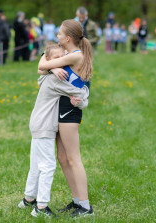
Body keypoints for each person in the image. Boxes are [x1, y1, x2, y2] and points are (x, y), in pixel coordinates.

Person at [18, 44, 89, 217]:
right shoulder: (56, 78)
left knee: (35, 164)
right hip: (45, 126)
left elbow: (42, 70)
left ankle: (28, 200)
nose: (61, 61)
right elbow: (78, 92)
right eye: (56, 58)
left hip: (37, 123)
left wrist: (52, 68)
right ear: (49, 61)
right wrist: (84, 99)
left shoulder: (46, 75)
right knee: (48, 166)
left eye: (62, 57)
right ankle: (41, 208)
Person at [38, 19, 95, 217]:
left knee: (73, 158)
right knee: (62, 158)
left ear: (68, 38)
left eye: (59, 34)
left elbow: (41, 62)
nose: (57, 37)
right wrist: (52, 68)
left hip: (70, 111)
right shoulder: (69, 55)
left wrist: (49, 66)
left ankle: (86, 207)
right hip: (61, 108)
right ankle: (77, 200)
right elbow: (42, 65)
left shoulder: (75, 56)